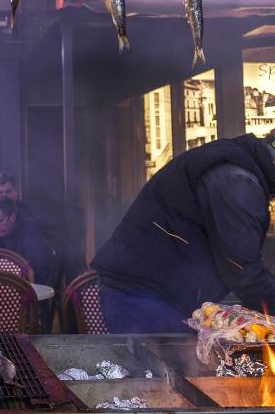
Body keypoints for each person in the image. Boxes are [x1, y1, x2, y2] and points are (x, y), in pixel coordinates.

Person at [92, 131, 275, 334]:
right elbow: (243, 270)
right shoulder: (235, 180)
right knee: (169, 365)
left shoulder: (235, 164)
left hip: (152, 293)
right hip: (143, 298)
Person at [0, 196, 56, 287]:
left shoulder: (31, 234)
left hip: (25, 290)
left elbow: (42, 271)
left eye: (0, 222)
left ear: (12, 217)